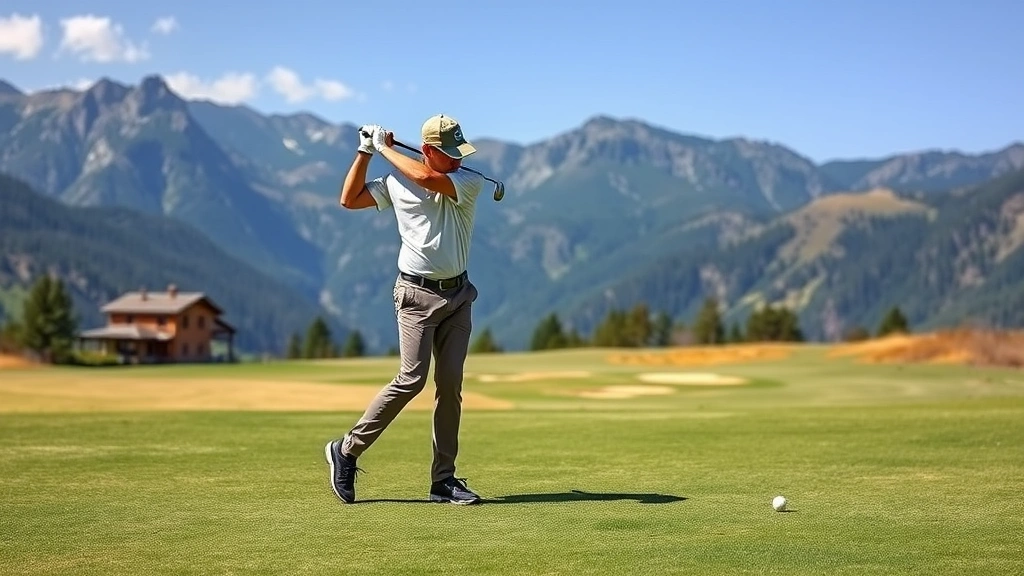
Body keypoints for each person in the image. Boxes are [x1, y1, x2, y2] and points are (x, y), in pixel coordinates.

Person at [324, 114, 485, 505]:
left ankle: (442, 481)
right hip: (414, 296)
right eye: (448, 154)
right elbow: (349, 199)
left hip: (458, 296)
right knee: (411, 380)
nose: (457, 160)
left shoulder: (467, 181)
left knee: (450, 386)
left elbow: (429, 180)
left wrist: (384, 148)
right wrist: (365, 151)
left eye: (459, 153)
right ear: (428, 150)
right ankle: (346, 450)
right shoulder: (396, 182)